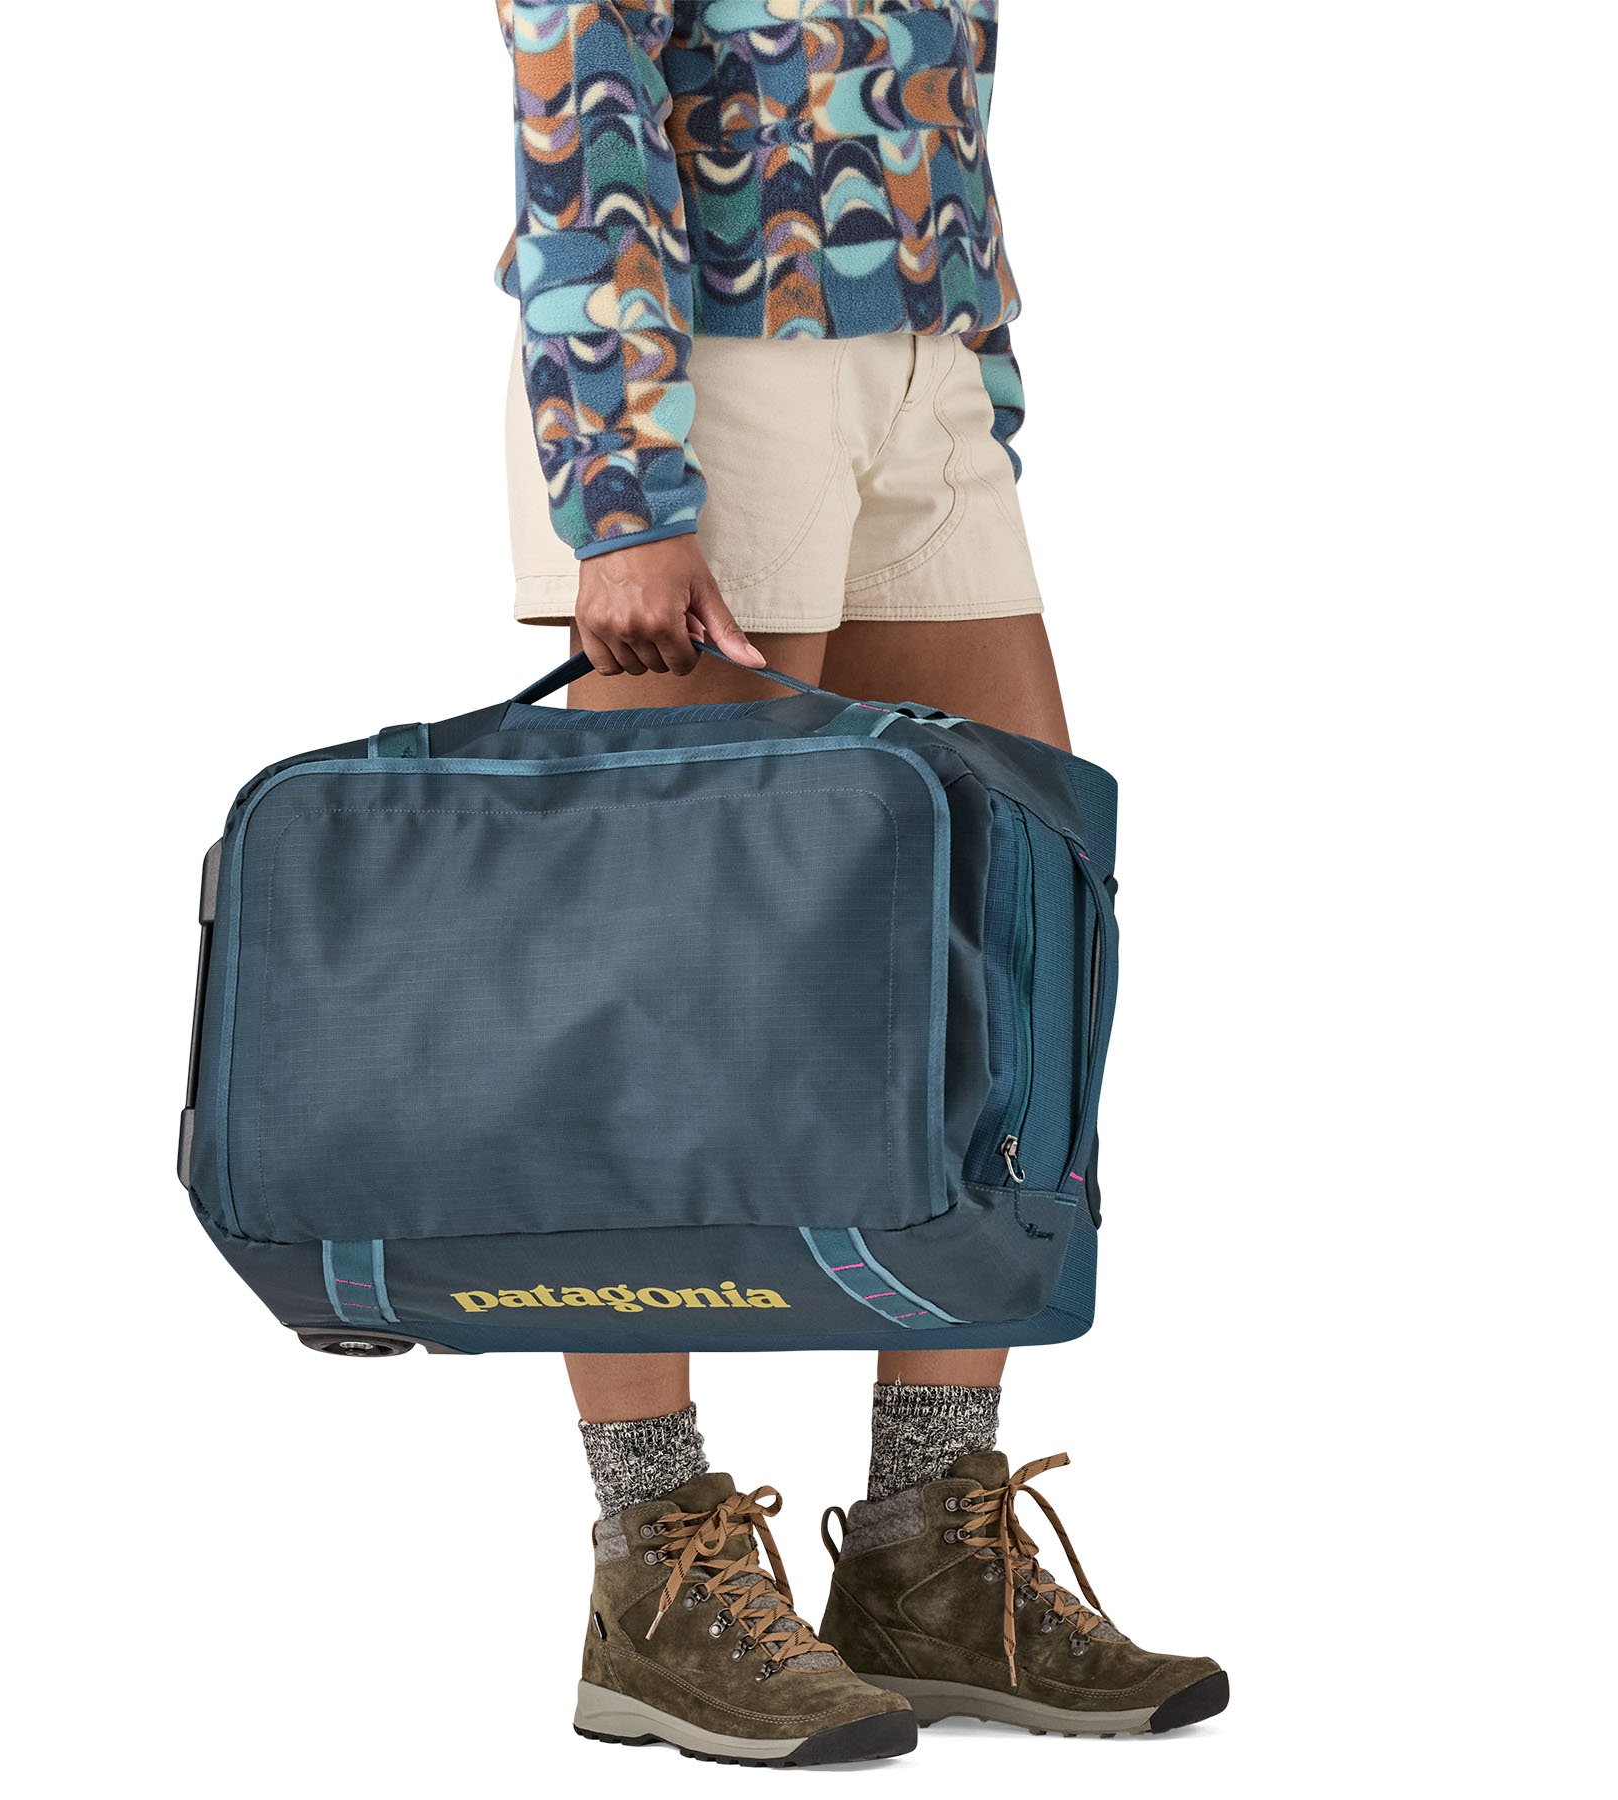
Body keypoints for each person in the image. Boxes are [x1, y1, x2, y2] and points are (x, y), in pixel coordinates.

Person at [495, 1, 1226, 1763]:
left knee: (1026, 935)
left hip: (919, 344)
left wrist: (972, 361)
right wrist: (623, 483)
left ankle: (924, 1550)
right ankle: (653, 1564)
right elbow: (579, 75)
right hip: (706, 355)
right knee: (668, 991)